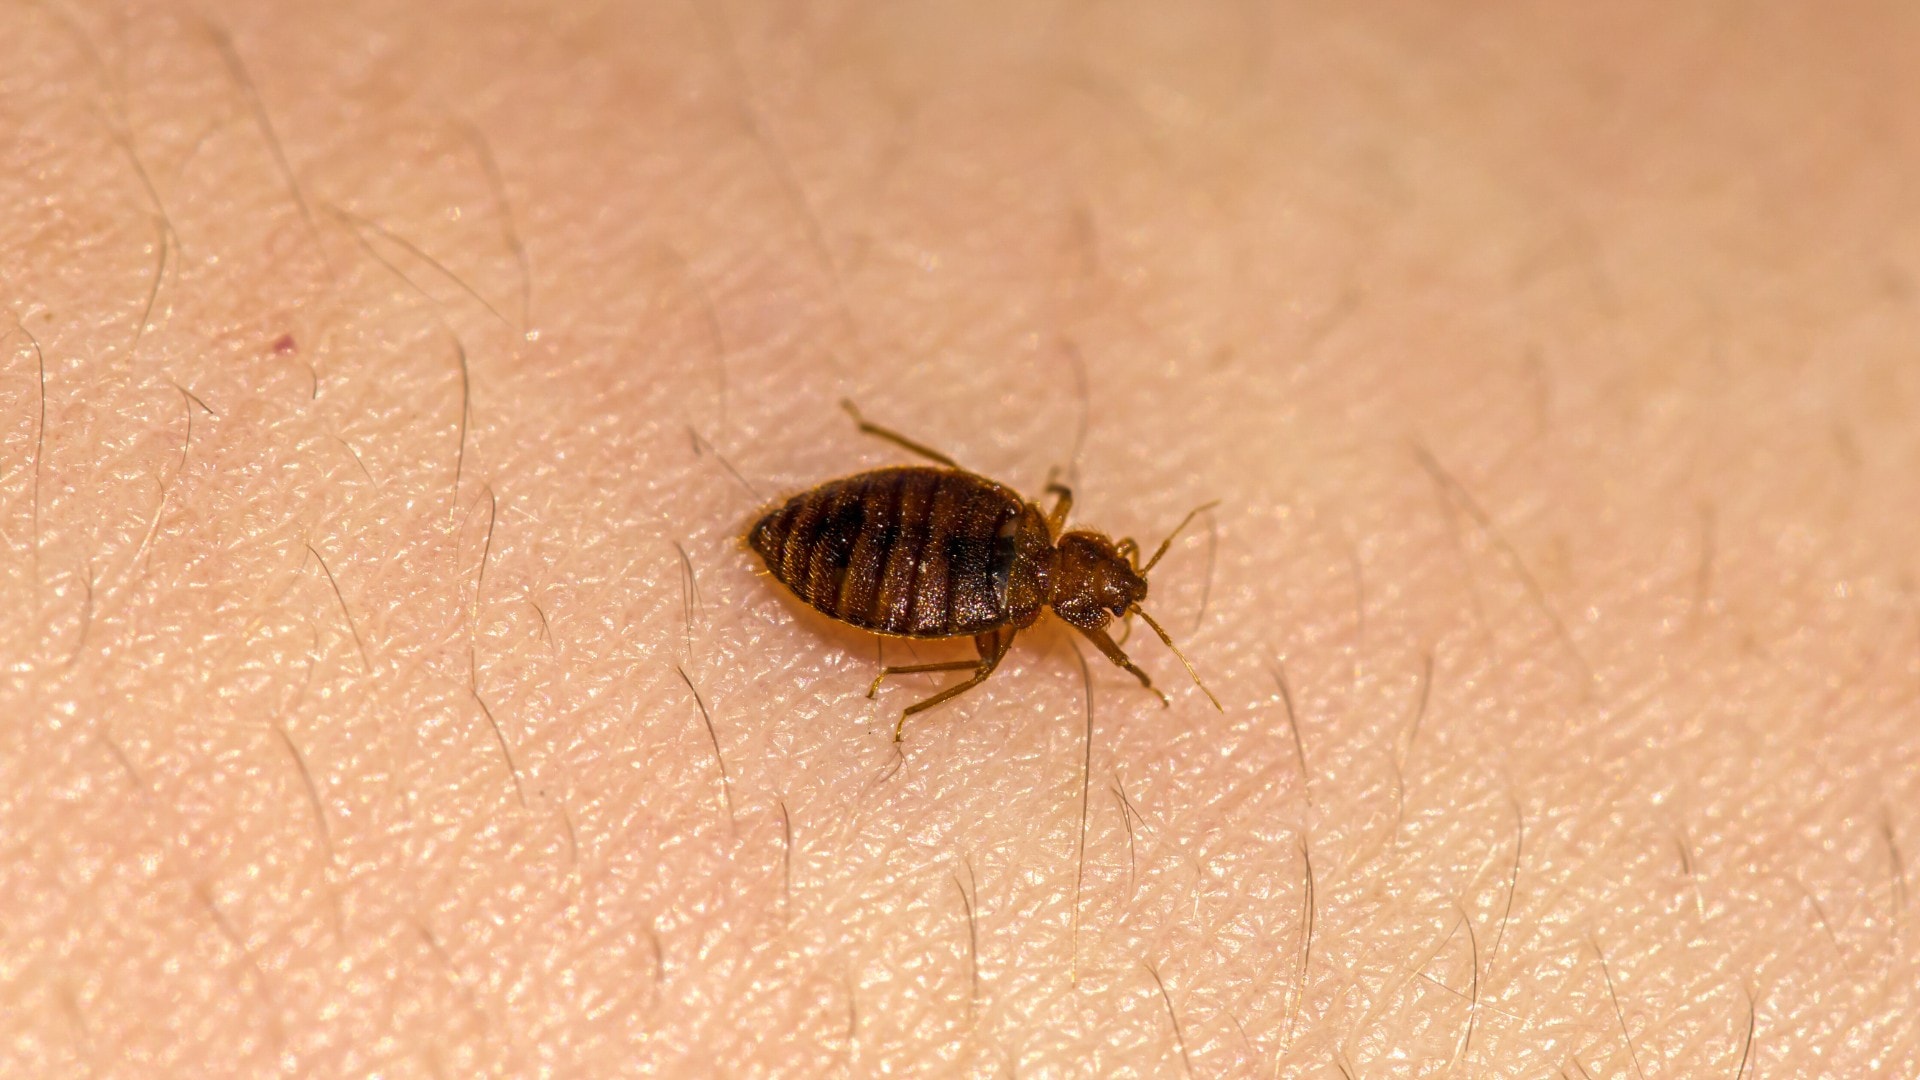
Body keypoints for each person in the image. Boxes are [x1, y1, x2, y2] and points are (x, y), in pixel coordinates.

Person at [5, 2, 1909, 1075]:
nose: (1110, 596)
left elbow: (955, 514)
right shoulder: (1019, 588)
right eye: (1109, 590)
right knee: (941, 577)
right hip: (877, 541)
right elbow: (935, 496)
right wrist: (917, 637)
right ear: (1076, 571)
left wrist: (938, 651)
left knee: (949, 577)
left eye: (1111, 602)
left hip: (907, 541)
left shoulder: (1023, 576)